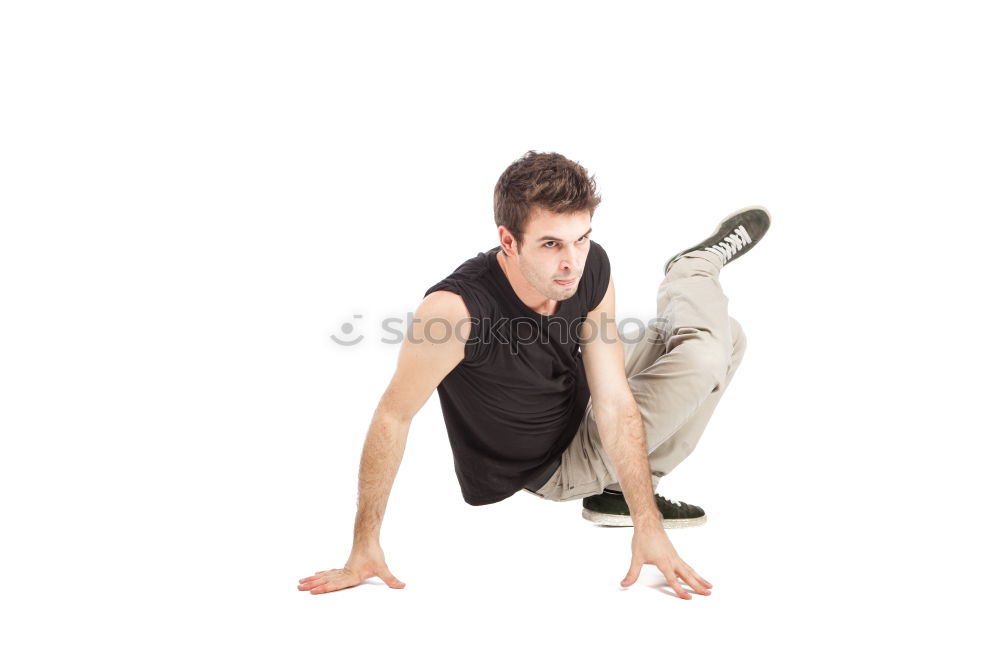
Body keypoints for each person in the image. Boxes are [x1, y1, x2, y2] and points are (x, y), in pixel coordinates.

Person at [297, 151, 769, 600]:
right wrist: (363, 543)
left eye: (581, 237)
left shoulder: (588, 267)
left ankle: (622, 495)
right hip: (556, 464)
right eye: (551, 244)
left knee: (728, 336)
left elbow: (611, 397)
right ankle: (693, 269)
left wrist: (647, 520)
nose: (572, 261)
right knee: (710, 349)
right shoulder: (454, 314)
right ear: (508, 240)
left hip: (583, 400)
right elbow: (392, 417)